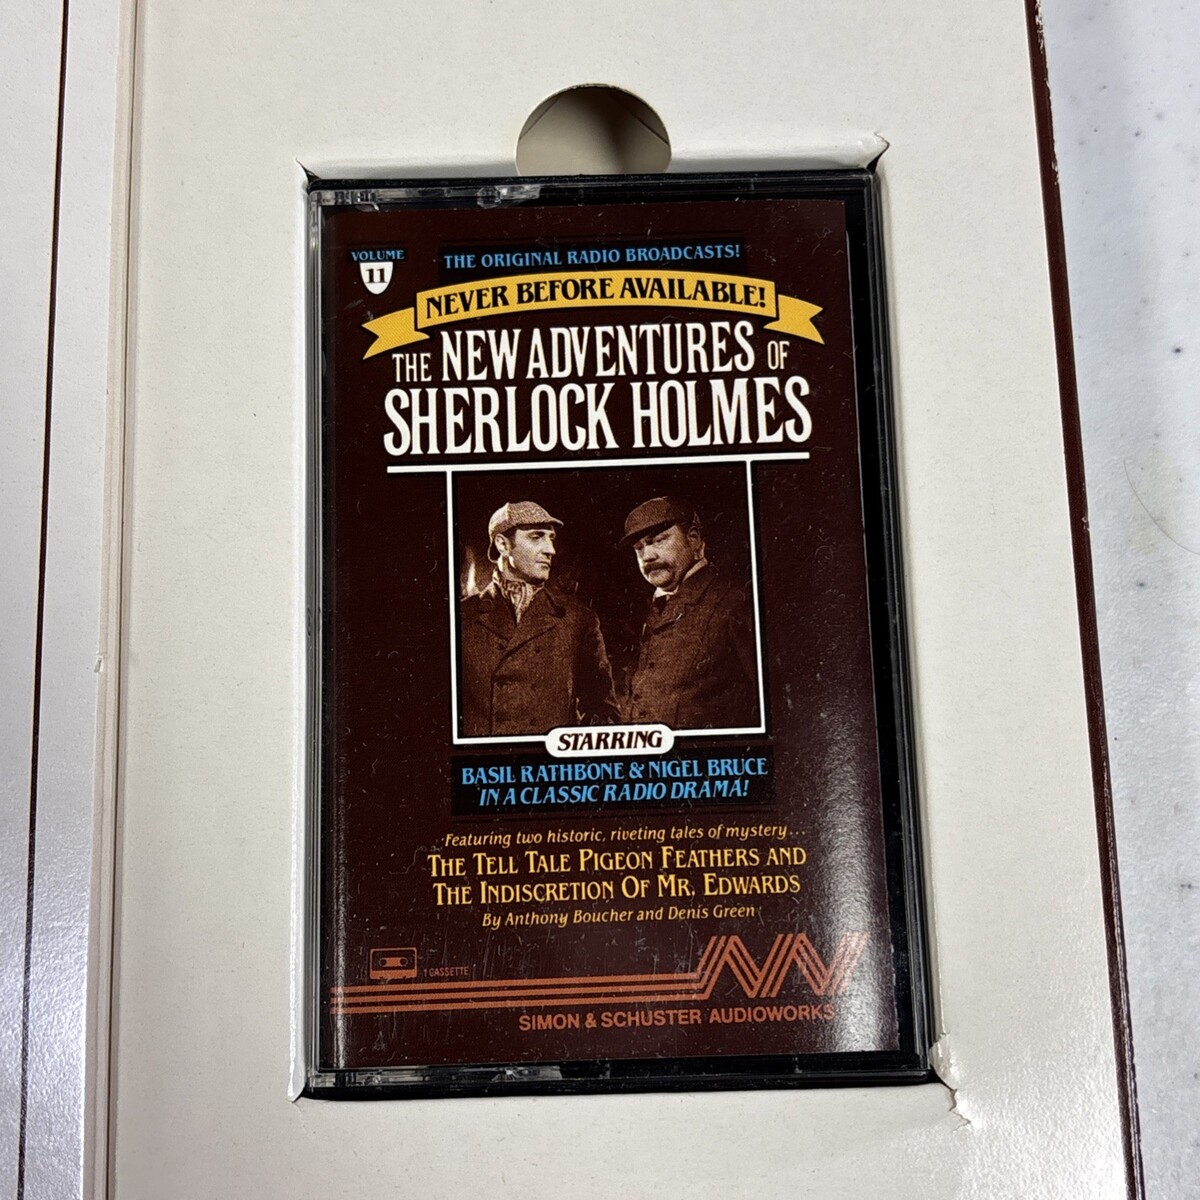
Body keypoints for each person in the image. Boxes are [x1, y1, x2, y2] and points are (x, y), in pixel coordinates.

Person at [460, 500, 619, 736]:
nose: (550, 550)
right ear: (503, 544)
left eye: (551, 538)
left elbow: (603, 713)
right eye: (537, 537)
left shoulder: (578, 620)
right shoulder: (462, 617)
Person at [620, 495, 759, 730]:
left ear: (693, 539)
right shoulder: (654, 609)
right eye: (639, 548)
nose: (647, 556)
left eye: (658, 540)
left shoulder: (735, 602)